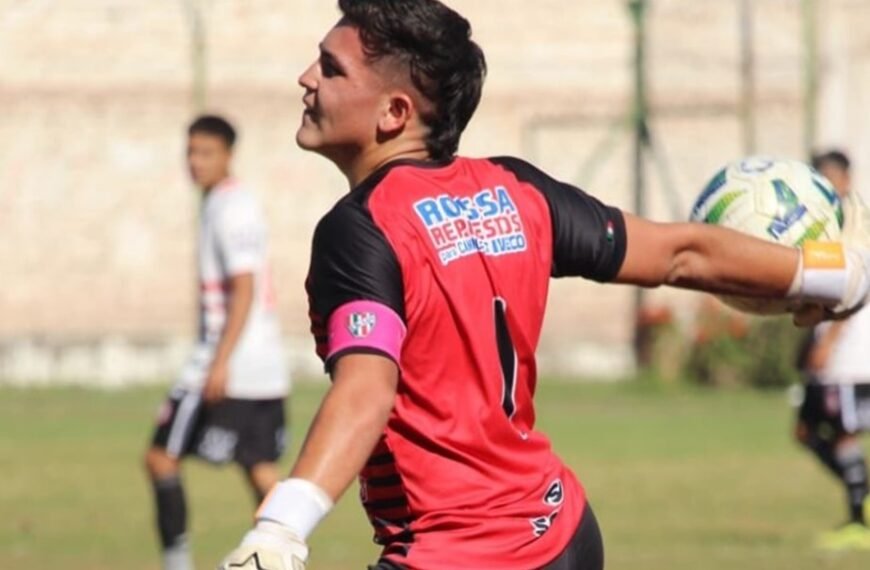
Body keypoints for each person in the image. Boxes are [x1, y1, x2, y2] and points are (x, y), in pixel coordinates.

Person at [219, 2, 870, 568]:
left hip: (459, 552)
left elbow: (368, 389)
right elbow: (682, 253)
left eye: (330, 69)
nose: (307, 79)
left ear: (394, 111)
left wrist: (280, 529)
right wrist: (837, 277)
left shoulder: (360, 231)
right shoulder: (515, 189)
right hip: (564, 533)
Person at [145, 115, 290, 570]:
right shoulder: (227, 202)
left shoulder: (230, 208)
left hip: (228, 363)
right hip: (266, 366)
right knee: (261, 470)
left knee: (160, 458)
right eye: (190, 152)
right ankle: (286, 554)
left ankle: (177, 564)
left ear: (228, 155)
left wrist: (220, 361)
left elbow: (243, 287)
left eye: (205, 153)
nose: (195, 162)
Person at [795, 150, 870, 551]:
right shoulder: (823, 221)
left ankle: (860, 516)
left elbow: (852, 285)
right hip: (831, 355)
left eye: (827, 176)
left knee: (842, 435)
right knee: (806, 431)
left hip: (848, 357)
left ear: (845, 178)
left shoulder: (851, 223)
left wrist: (829, 341)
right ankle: (860, 508)